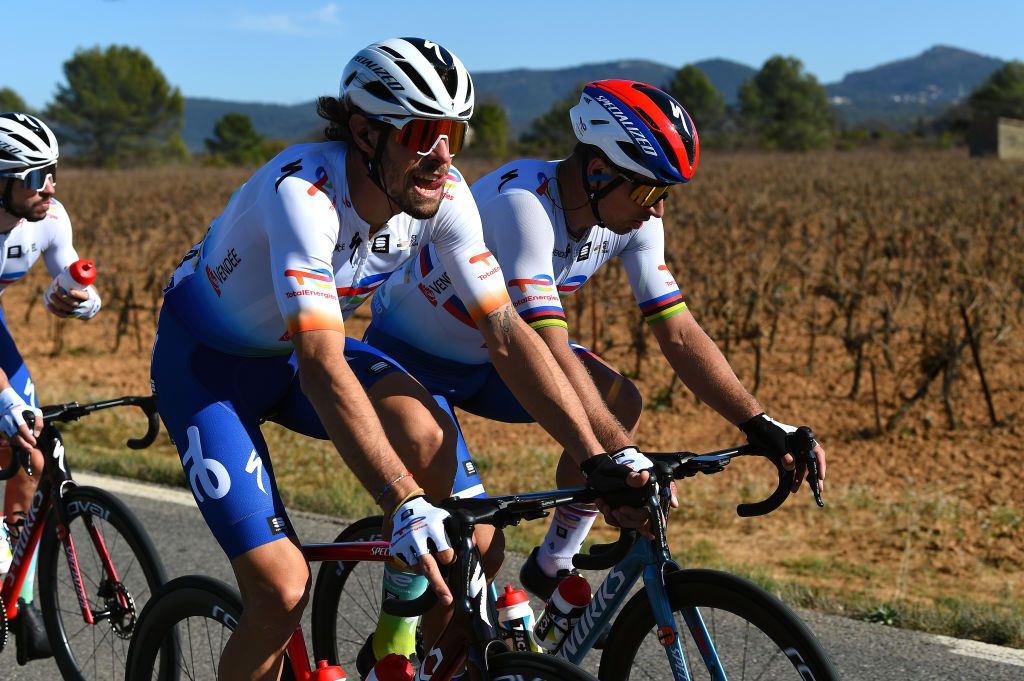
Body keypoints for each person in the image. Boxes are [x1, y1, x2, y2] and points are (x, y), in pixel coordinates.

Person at [151, 39, 649, 681]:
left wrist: (596, 458)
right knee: (280, 590)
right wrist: (403, 501)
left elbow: (505, 329)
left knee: (464, 515)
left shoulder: (444, 196)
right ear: (363, 131)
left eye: (454, 136)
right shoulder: (304, 195)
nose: (442, 157)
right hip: (208, 369)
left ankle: (399, 655)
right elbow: (322, 364)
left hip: (298, 353)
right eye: (422, 134)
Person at [365, 79, 828, 606]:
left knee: (620, 399)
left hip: (494, 359)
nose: (656, 210)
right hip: (410, 358)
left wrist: (758, 422)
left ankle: (553, 562)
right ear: (598, 170)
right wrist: (622, 455)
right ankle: (396, 625)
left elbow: (678, 331)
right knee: (472, 547)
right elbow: (549, 345)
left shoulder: (631, 210)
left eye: (666, 194)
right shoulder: (523, 205)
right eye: (650, 192)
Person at [0, 111, 102, 664]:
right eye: (35, 175)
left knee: (30, 444)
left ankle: (17, 590)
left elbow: (72, 279)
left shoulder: (49, 215)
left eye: (52, 170)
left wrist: (81, 301)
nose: (50, 186)